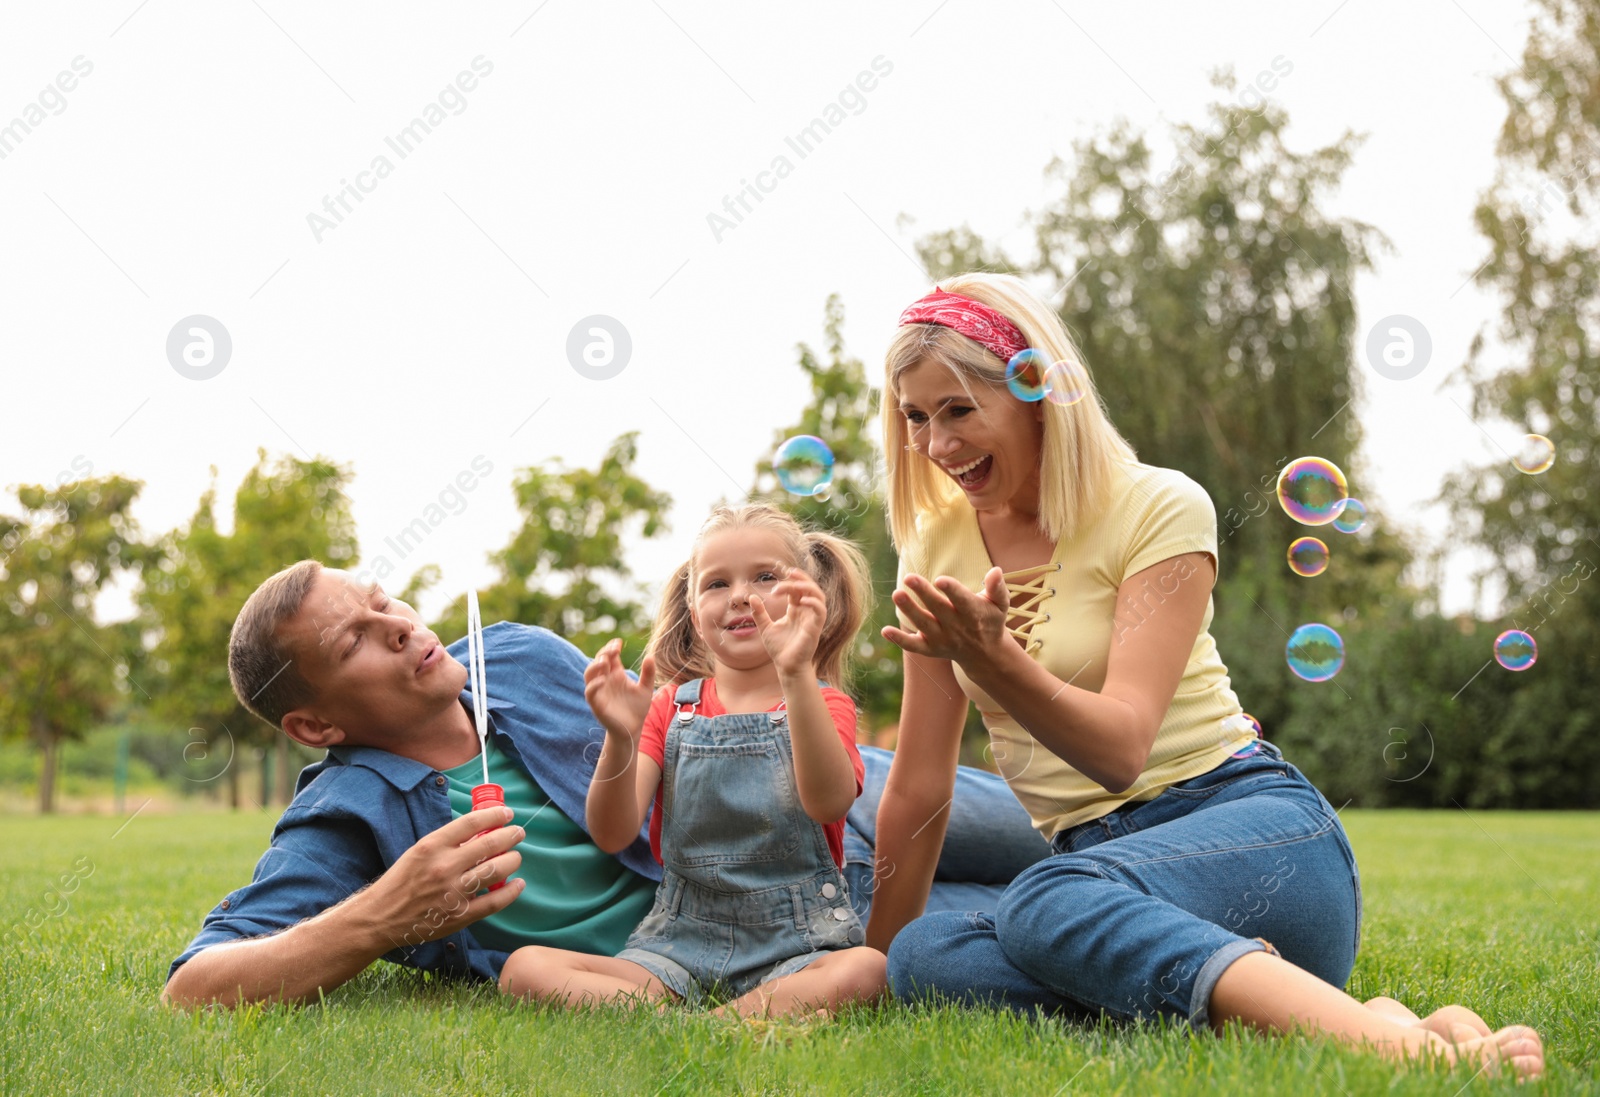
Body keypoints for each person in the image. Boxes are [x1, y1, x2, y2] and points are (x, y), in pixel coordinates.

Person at [863, 273, 1544, 1079]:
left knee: (1044, 902)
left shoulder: (1156, 506)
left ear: (1036, 392)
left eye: (958, 410)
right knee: (927, 956)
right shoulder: (936, 545)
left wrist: (995, 659)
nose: (937, 446)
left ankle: (1407, 1055)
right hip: (1102, 877)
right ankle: (1320, 1014)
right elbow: (919, 778)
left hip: (1252, 833)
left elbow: (1120, 748)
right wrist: (875, 965)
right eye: (914, 415)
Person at [162, 555, 1048, 1008]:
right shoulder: (350, 818)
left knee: (1071, 826)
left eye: (381, 600)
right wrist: (388, 912)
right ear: (315, 724)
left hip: (833, 789)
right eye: (352, 639)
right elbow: (195, 985)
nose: (396, 625)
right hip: (801, 924)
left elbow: (670, 726)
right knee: (1052, 916)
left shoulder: (513, 654)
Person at [500, 504, 886, 1017]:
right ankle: (745, 1021)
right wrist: (620, 735)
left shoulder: (824, 704)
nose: (741, 596)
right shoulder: (669, 708)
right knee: (523, 967)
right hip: (676, 945)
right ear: (695, 614)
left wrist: (795, 673)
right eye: (716, 584)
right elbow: (613, 832)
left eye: (765, 577)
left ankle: (695, 1026)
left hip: (800, 943)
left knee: (867, 969)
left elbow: (829, 801)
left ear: (805, 598)